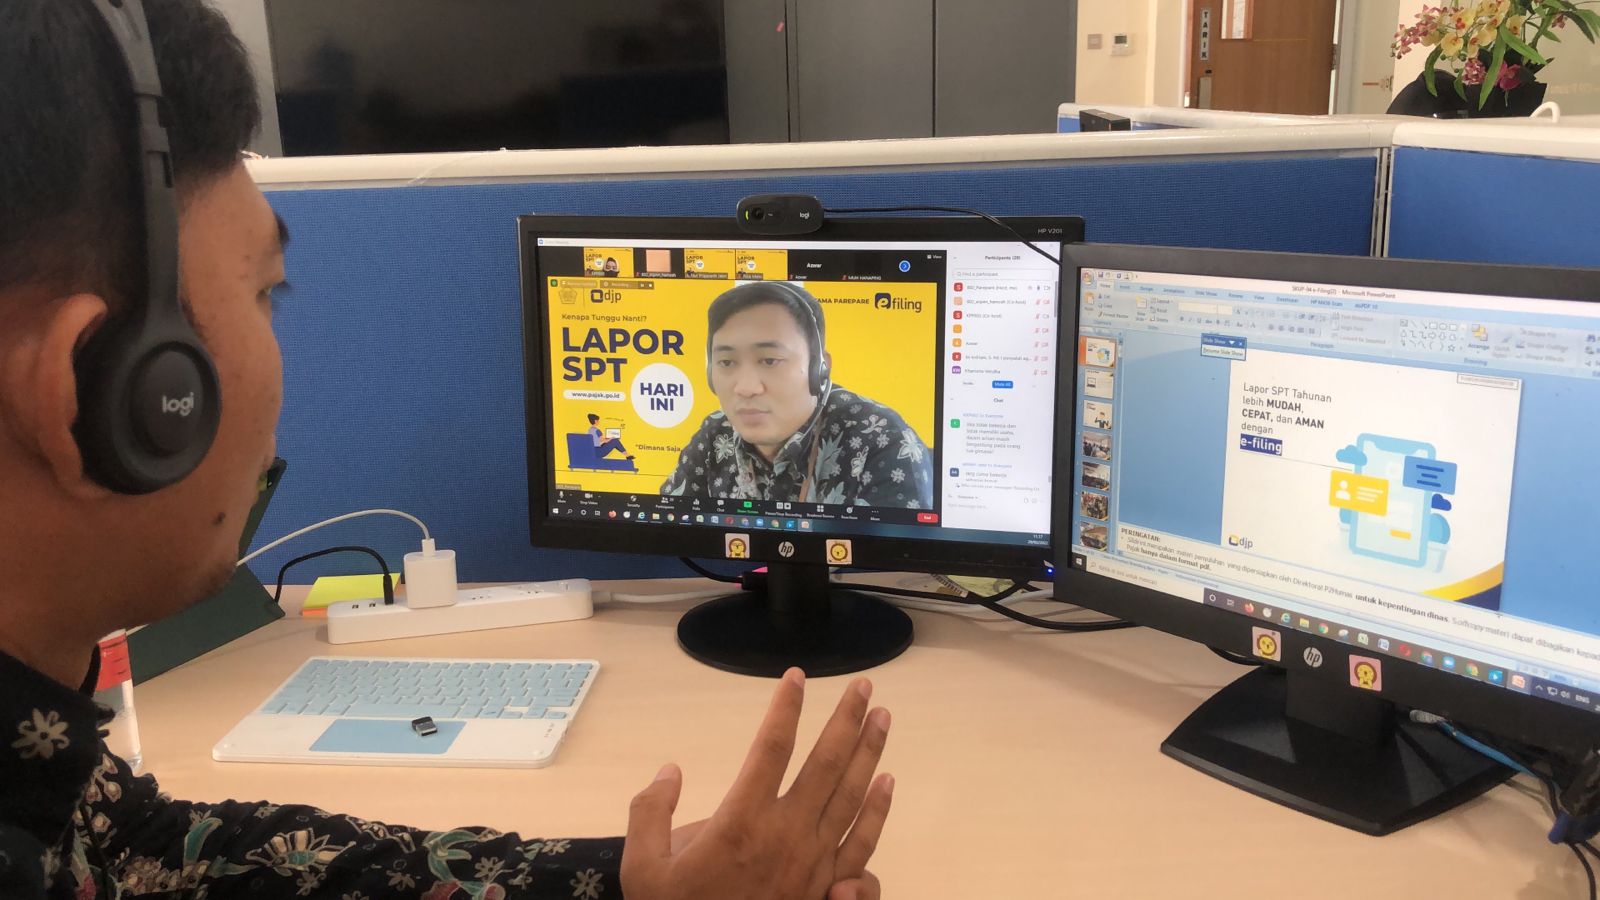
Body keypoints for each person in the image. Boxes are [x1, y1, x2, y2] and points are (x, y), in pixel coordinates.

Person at [0, 3, 893, 898]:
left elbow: (158, 849)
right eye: (267, 291)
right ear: (105, 388)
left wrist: (631, 884)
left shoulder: (40, 764)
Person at [662, 282, 933, 508]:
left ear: (819, 369)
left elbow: (893, 555)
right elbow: (669, 524)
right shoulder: (715, 434)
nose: (745, 388)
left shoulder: (880, 441)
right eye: (726, 362)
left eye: (769, 360)